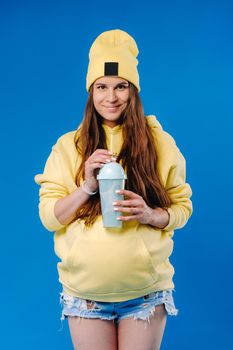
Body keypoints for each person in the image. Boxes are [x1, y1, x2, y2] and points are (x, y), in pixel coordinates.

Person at [35, 29, 193, 350]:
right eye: (101, 87)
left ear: (133, 91)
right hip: (85, 296)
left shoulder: (159, 143)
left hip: (145, 294)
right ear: (90, 92)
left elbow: (182, 209)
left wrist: (150, 214)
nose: (111, 97)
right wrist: (87, 187)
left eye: (121, 86)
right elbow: (50, 218)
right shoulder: (69, 147)